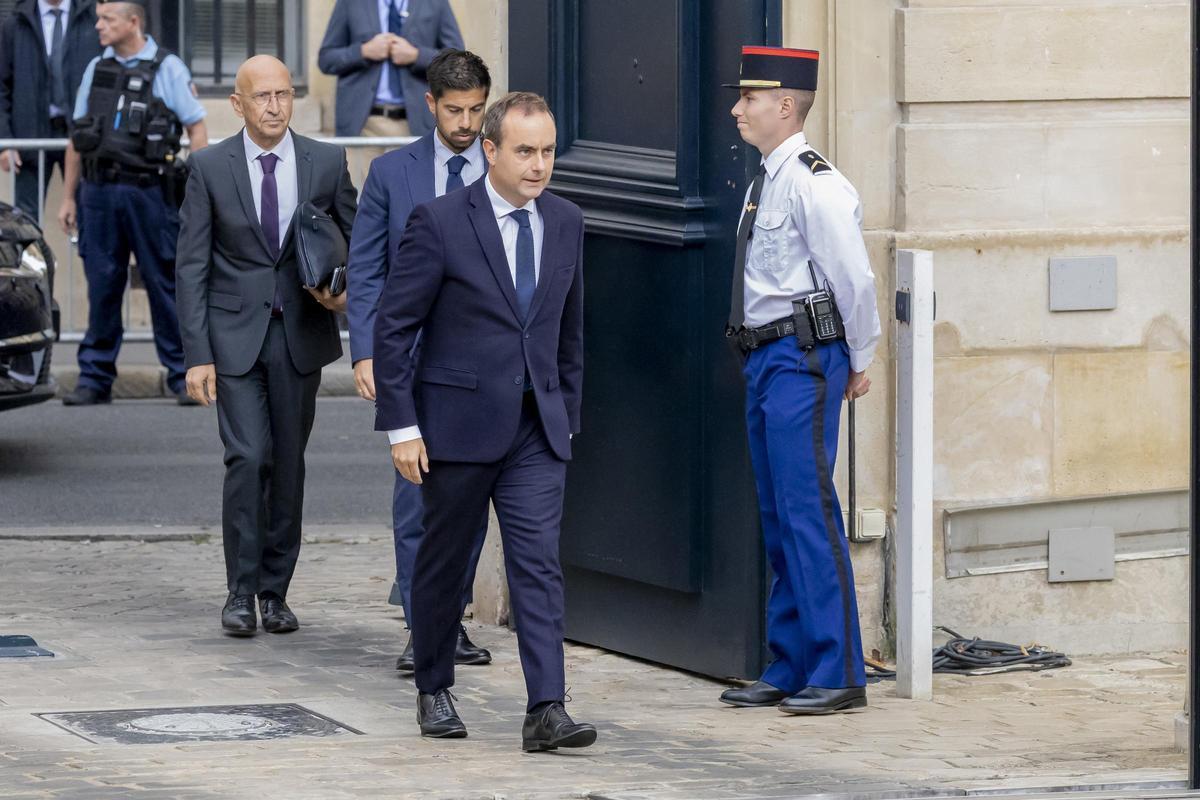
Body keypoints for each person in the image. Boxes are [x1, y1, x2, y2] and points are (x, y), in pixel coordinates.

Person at [373, 91, 595, 751]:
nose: (539, 165)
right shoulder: (440, 221)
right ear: (491, 150)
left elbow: (569, 331)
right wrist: (403, 427)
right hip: (457, 426)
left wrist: (566, 416)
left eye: (548, 151)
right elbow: (394, 328)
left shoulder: (566, 220)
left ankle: (546, 708)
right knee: (444, 564)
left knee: (538, 565)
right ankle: (433, 687)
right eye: (525, 151)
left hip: (536, 430)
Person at [717, 46, 881, 715]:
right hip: (765, 357)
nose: (737, 108)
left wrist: (861, 358)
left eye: (749, 97)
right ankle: (788, 662)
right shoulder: (767, 178)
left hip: (801, 357)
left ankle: (837, 668)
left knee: (808, 509)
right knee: (779, 513)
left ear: (785, 104)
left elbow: (855, 281)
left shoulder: (815, 183)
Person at [175, 55, 356, 637]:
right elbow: (191, 266)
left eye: (284, 94)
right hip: (232, 339)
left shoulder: (325, 161)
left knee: (288, 466)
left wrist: (343, 289)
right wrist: (197, 353)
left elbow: (356, 243)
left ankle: (275, 593)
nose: (275, 106)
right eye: (263, 97)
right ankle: (239, 591)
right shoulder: (208, 167)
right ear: (238, 104)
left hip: (300, 335)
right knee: (248, 457)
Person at [346, 48, 492, 675]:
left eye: (478, 110)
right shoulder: (391, 173)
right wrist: (369, 351)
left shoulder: (502, 165)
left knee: (469, 495)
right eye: (456, 110)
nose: (467, 123)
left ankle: (451, 619)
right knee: (415, 498)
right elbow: (368, 269)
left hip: (481, 361)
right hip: (410, 358)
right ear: (430, 105)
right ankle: (421, 626)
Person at [55, 0, 206, 406]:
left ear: (133, 22)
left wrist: (198, 188)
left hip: (150, 192)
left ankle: (182, 376)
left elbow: (195, 126)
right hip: (98, 193)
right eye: (99, 18)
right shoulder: (96, 67)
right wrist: (69, 197)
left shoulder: (167, 67)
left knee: (164, 283)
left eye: (108, 19)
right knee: (103, 284)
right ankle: (94, 378)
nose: (98, 26)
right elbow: (78, 136)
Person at [317, 0, 463, 185]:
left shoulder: (436, 3)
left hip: (416, 125)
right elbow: (326, 59)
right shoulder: (350, 3)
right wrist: (362, 51)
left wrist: (417, 56)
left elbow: (457, 60)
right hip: (364, 125)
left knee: (412, 200)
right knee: (359, 203)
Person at [0, 0, 101, 220]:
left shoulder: (93, 18)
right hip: (29, 138)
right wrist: (5, 141)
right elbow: (2, 88)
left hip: (84, 138)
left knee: (90, 219)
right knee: (26, 223)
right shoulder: (16, 24)